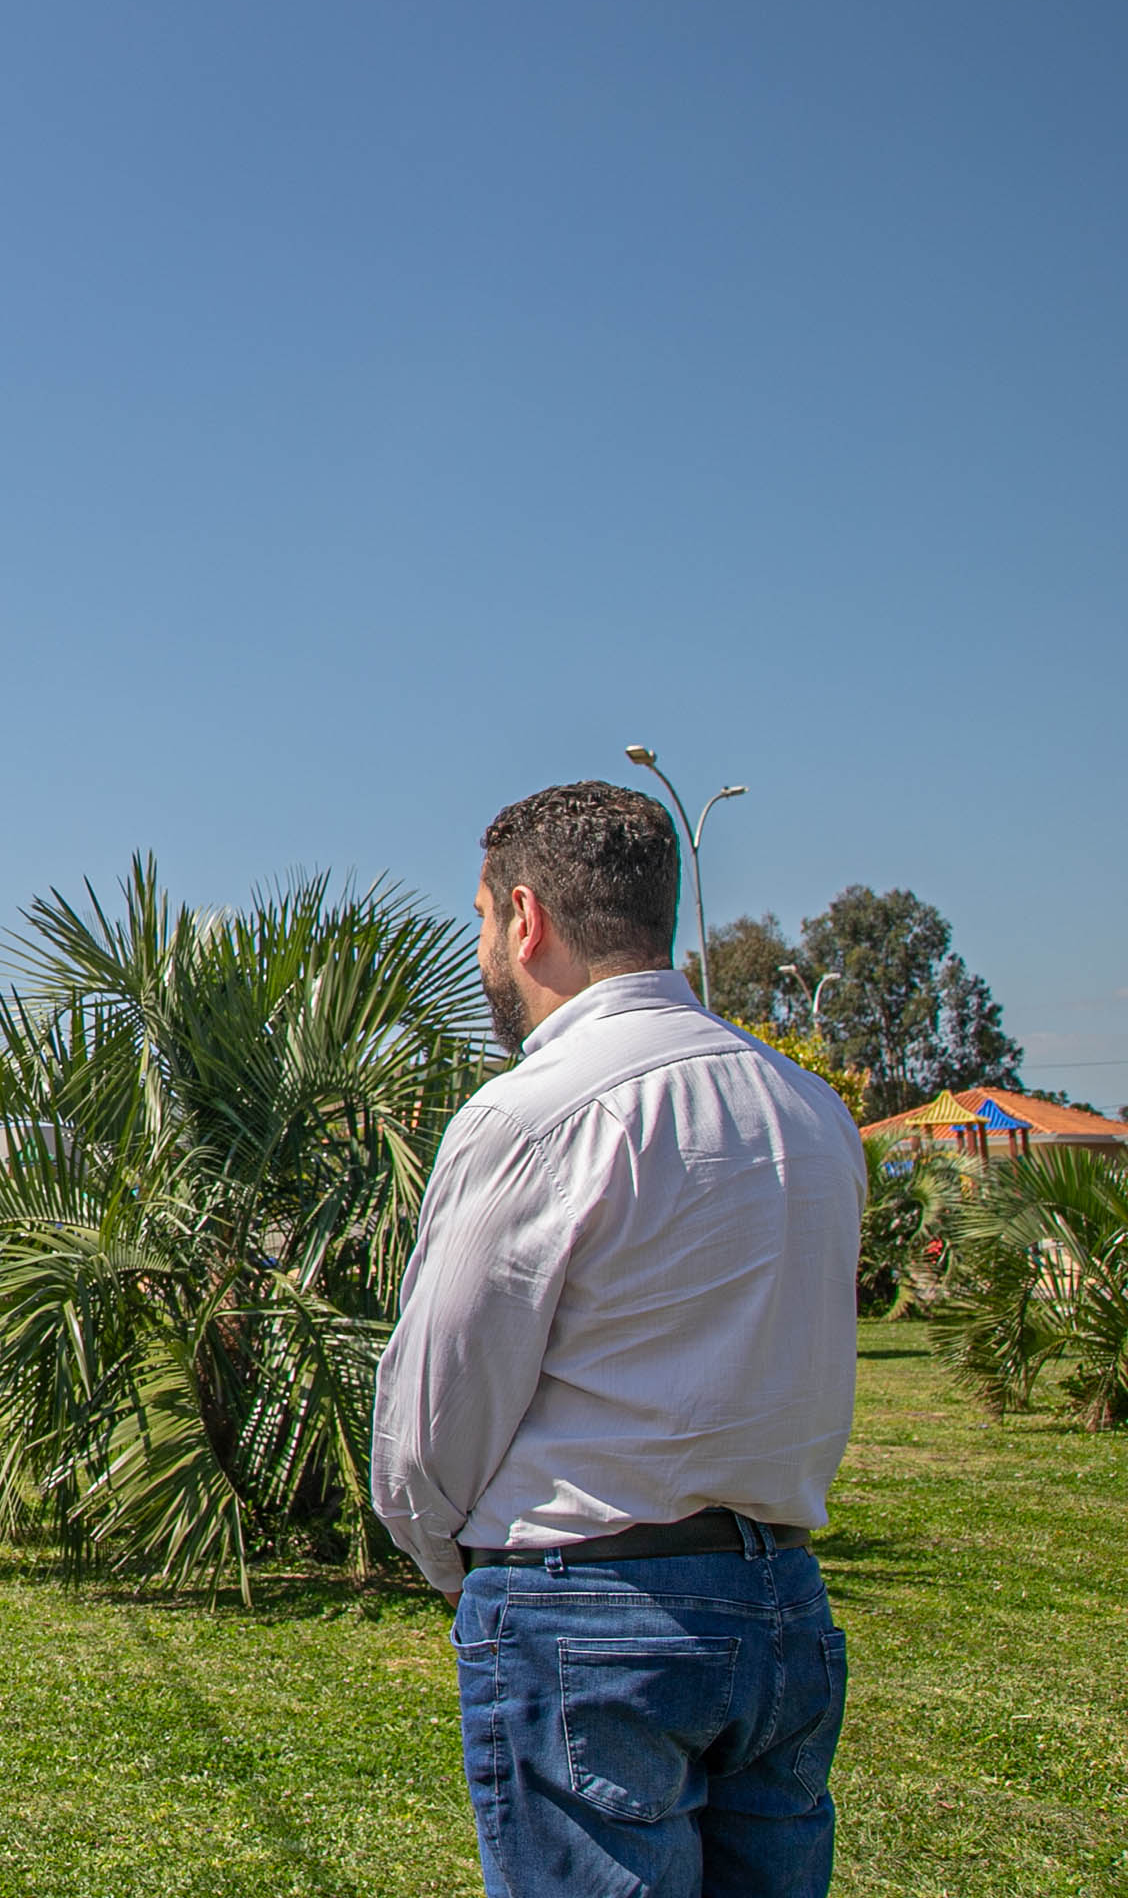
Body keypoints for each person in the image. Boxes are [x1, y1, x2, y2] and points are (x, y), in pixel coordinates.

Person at [373, 782, 864, 1898]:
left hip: (588, 1601)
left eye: (486, 920)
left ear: (527, 916)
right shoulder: (806, 1106)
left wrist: (457, 1569)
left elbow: (437, 1407)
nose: (488, 948)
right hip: (782, 1597)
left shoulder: (534, 1110)